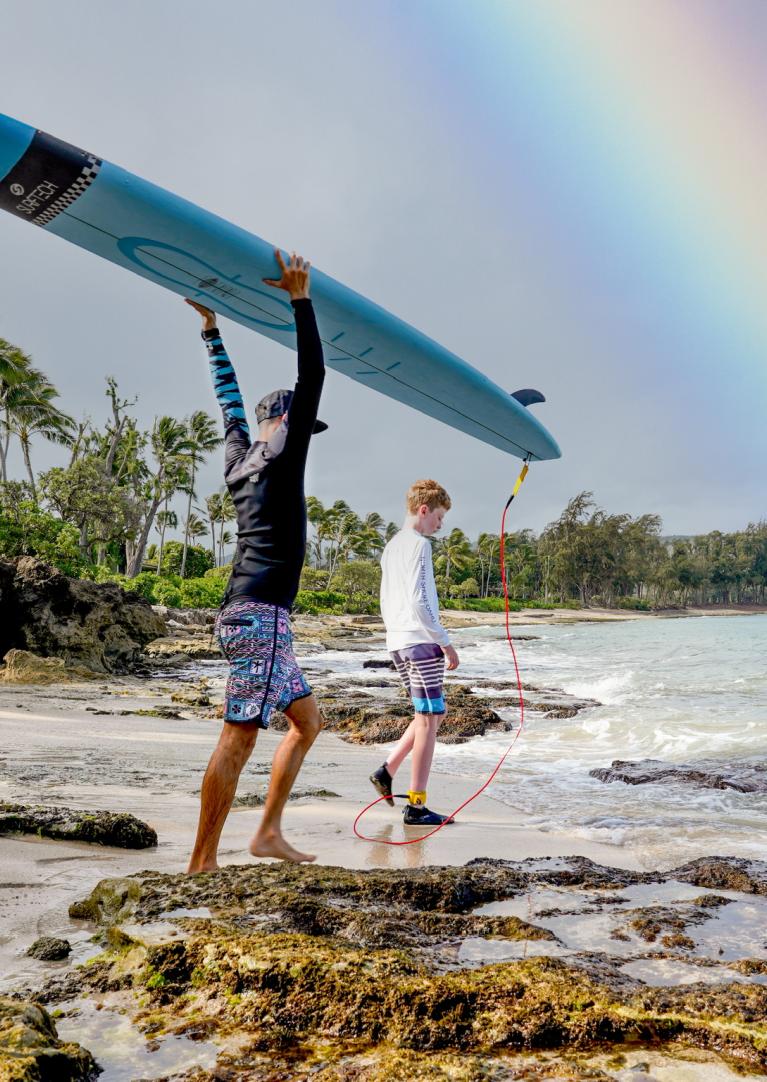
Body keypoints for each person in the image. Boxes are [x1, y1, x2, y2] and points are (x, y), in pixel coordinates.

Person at [185, 250, 327, 871]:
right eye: (301, 422)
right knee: (239, 733)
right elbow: (314, 372)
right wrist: (300, 299)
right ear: (286, 419)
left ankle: (266, 833)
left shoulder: (240, 458)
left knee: (307, 723)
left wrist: (212, 332)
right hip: (259, 619)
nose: (306, 435)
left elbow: (228, 403)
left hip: (261, 620)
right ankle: (202, 860)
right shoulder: (279, 455)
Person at [370, 479, 459, 826]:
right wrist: (445, 641)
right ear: (424, 510)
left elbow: (386, 598)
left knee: (433, 714)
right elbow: (420, 601)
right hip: (419, 642)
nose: (440, 524)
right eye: (439, 516)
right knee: (428, 720)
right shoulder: (418, 545)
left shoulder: (391, 546)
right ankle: (417, 806)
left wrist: (396, 635)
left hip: (398, 641)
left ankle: (386, 770)